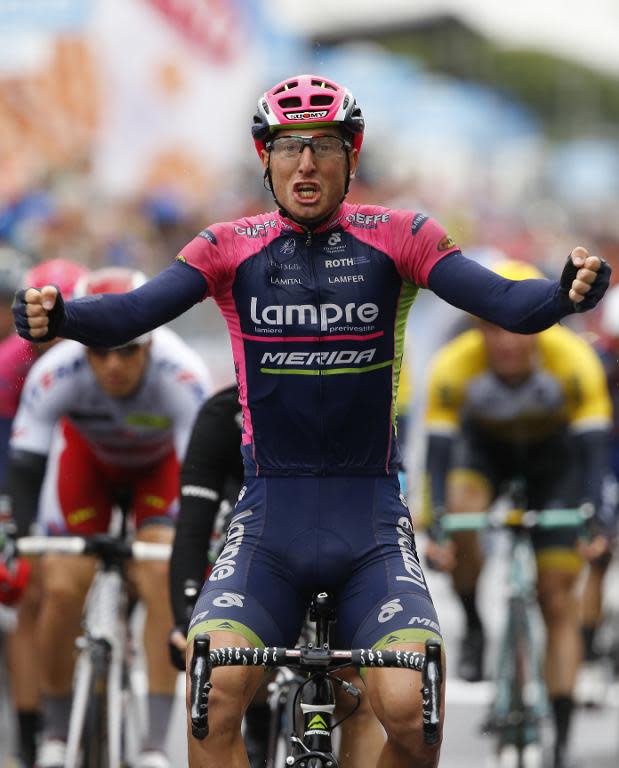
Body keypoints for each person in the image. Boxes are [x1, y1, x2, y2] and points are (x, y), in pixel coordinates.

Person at [11, 74, 611, 768]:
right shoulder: (225, 246)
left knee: (414, 717)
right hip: (270, 518)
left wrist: (563, 295)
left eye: (324, 145)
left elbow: (506, 302)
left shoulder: (401, 236)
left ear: (351, 157)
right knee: (215, 695)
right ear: (263, 158)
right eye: (289, 146)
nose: (305, 163)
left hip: (370, 521)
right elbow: (131, 313)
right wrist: (61, 317)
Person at [4, 267, 212, 768]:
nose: (114, 364)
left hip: (158, 472)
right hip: (87, 467)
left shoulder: (181, 373)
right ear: (81, 344)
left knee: (162, 571)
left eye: (128, 349)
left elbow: (199, 474)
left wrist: (201, 542)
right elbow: (28, 463)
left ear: (152, 343)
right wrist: (23, 536)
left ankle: (155, 745)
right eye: (100, 351)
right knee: (57, 584)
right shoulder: (56, 371)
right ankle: (55, 732)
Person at [423, 259, 615, 767]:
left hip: (556, 467)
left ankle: (562, 735)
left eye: (518, 327)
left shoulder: (573, 360)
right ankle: (474, 624)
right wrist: (438, 522)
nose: (507, 340)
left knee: (557, 597)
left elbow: (595, 453)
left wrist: (597, 518)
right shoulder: (453, 364)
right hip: (485, 457)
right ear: (478, 328)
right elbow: (437, 462)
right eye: (492, 327)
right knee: (461, 510)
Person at [168, 385, 386, 767]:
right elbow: (192, 526)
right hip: (256, 554)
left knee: (356, 695)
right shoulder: (222, 416)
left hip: (339, 549)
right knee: (229, 671)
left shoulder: (351, 401)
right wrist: (183, 616)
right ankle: (257, 718)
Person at [0, 257, 88, 768]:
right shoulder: (14, 362)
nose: (47, 337)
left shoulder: (104, 349)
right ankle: (33, 734)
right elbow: (13, 459)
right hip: (35, 467)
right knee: (30, 593)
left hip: (94, 463)